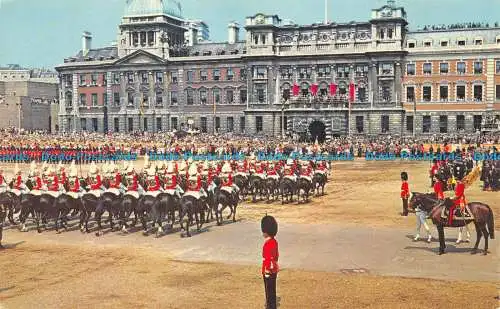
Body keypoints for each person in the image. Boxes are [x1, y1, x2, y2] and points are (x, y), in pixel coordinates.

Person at [261, 215, 279, 309]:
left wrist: (267, 271)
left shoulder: (267, 243)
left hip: (269, 271)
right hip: (274, 269)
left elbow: (268, 258)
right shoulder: (274, 241)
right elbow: (276, 256)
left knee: (269, 293)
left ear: (266, 231)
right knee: (272, 292)